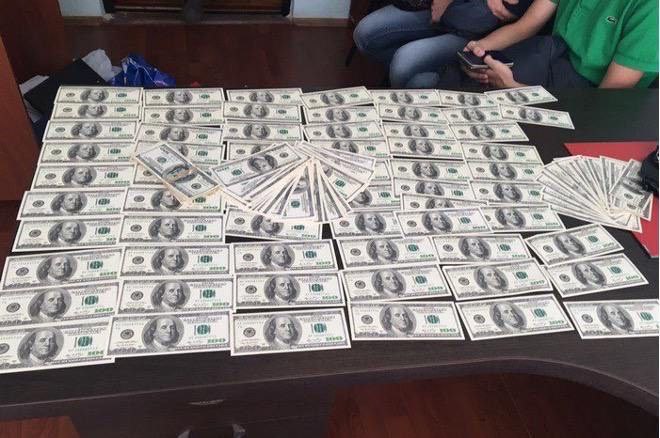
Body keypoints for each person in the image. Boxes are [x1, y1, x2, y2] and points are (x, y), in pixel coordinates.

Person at [460, 0, 658, 89]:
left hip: (588, 92)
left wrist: (516, 90)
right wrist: (478, 49)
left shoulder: (652, 8)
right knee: (465, 78)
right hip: (550, 55)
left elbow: (608, 98)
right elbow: (526, 26)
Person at [353, 0, 533, 88]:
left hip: (477, 32)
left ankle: (435, 75)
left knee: (404, 63)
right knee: (365, 34)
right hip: (445, 8)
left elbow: (516, 12)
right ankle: (429, 70)